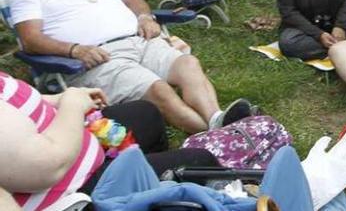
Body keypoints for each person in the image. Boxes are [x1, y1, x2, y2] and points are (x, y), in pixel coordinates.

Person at [8, 0, 254, 134]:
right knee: (159, 90)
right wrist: (75, 50)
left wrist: (145, 17)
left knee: (188, 63)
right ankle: (218, 135)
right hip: (98, 58)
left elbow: (134, 1)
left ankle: (216, 118)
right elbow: (30, 40)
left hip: (141, 41)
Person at [0, 76, 226, 211]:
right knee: (200, 161)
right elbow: (47, 166)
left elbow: (13, 98)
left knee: (145, 113)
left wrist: (57, 98)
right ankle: (147, 192)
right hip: (75, 189)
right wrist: (72, 105)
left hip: (76, 138)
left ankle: (145, 177)